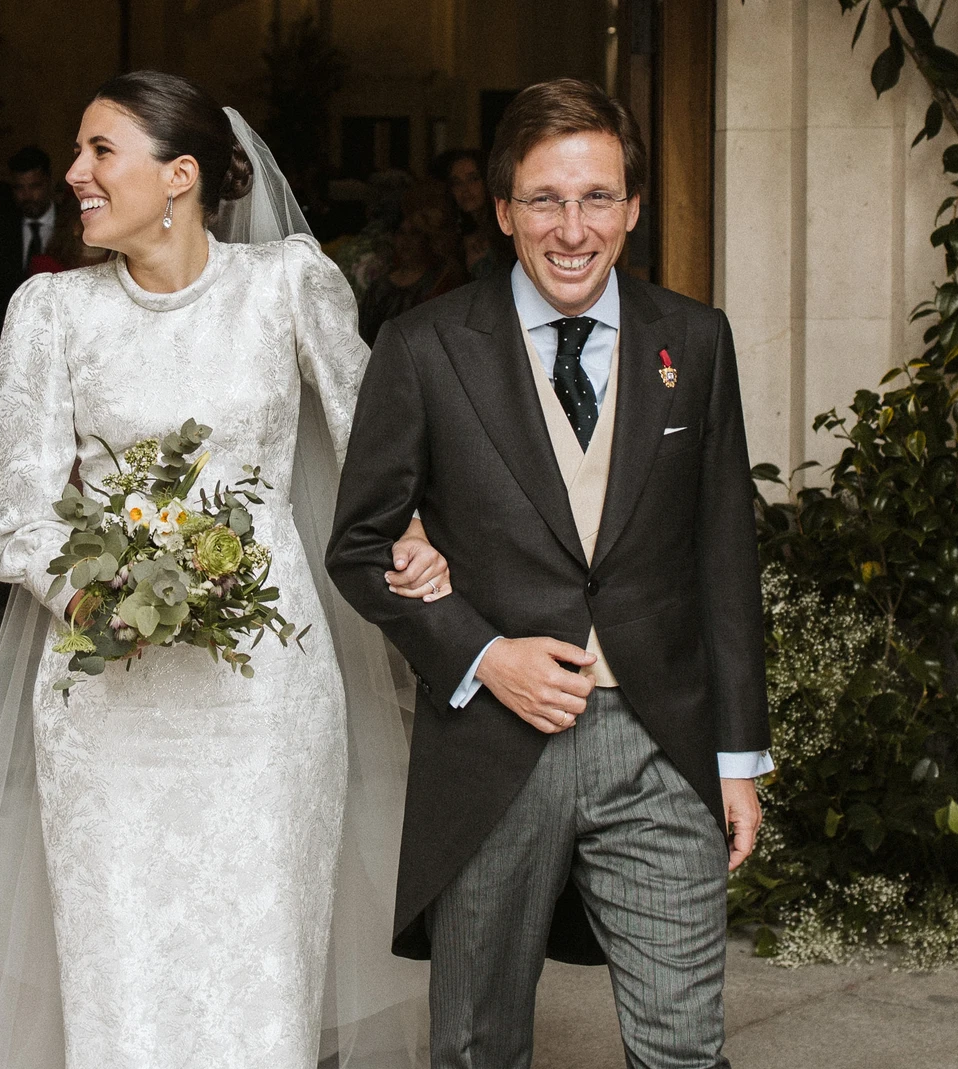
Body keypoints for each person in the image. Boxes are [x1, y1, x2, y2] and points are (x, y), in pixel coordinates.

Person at [0, 71, 448, 1069]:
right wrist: (94, 594)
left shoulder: (289, 284)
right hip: (106, 694)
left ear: (180, 174)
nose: (74, 173)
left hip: (264, 692)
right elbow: (16, 524)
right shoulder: (51, 311)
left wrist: (415, 539)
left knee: (259, 943)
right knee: (120, 952)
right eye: (78, 151)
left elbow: (378, 457)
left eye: (100, 150)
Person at [327, 78, 773, 1068]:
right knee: (478, 1043)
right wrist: (483, 656)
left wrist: (739, 759)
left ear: (632, 207)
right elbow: (357, 546)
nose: (572, 230)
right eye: (544, 200)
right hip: (491, 749)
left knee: (684, 1046)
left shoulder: (693, 342)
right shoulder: (425, 347)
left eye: (597, 198)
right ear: (499, 209)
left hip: (661, 740)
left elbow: (722, 555)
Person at [0, 145, 58, 399]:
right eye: (19, 188)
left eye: (35, 186)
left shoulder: (72, 224)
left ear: (49, 183)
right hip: (12, 356)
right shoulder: (0, 229)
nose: (27, 195)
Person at [356, 178, 467, 345]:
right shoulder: (379, 288)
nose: (406, 242)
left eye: (414, 234)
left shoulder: (443, 283)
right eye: (401, 233)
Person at [434, 147, 515, 280]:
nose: (465, 189)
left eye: (473, 179)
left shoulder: (509, 228)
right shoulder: (455, 235)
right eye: (457, 183)